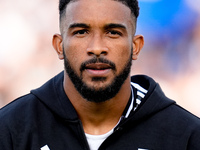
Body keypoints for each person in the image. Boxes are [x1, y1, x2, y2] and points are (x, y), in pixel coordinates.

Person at [0, 0, 200, 149]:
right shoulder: (10, 129)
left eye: (113, 32)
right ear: (59, 46)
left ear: (136, 46)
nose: (97, 48)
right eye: (81, 32)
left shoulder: (186, 136)